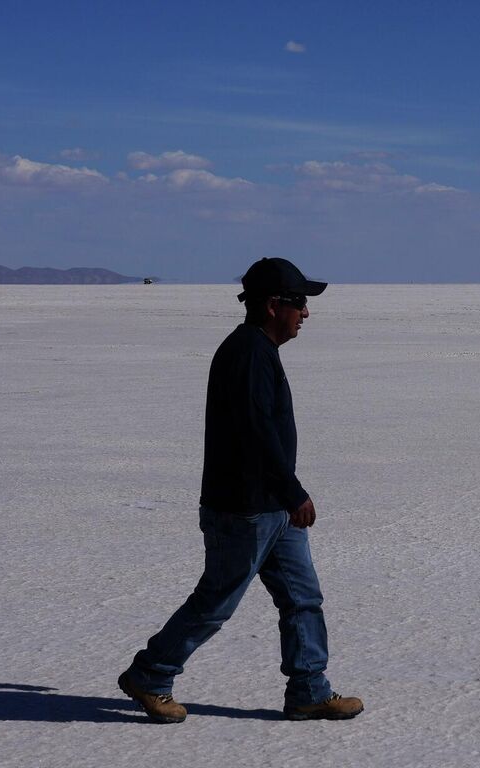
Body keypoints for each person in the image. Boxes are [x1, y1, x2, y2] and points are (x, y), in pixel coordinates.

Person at [118, 257, 363, 723]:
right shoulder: (248, 353)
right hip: (245, 510)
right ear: (274, 306)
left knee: (302, 599)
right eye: (300, 304)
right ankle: (150, 674)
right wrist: (292, 492)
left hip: (271, 508)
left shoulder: (259, 350)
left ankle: (309, 690)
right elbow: (255, 433)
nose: (306, 313)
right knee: (215, 602)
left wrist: (284, 498)